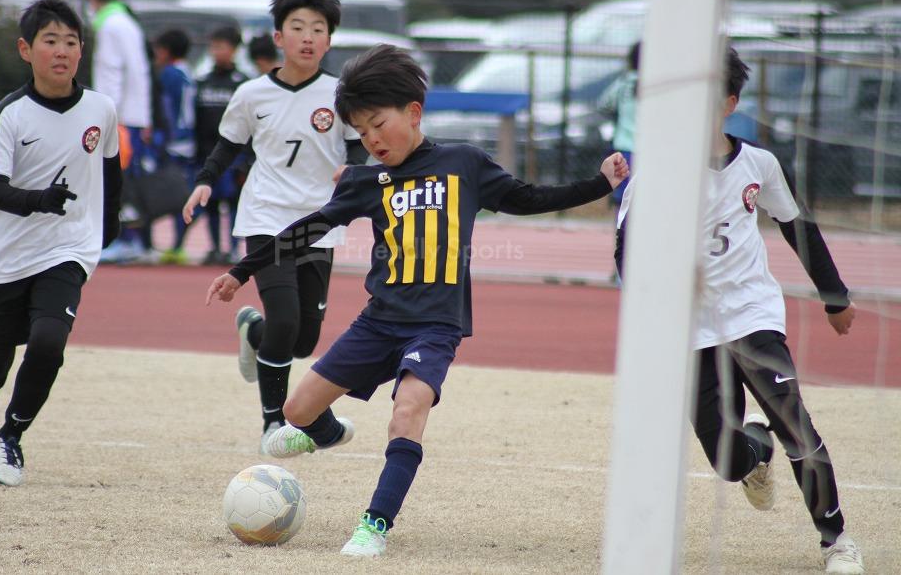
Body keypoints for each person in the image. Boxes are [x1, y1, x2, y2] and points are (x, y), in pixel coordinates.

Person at [203, 44, 629, 557]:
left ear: (413, 112)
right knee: (295, 411)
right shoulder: (366, 181)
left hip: (434, 326)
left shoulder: (463, 164)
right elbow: (308, 230)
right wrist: (241, 272)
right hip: (377, 321)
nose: (372, 139)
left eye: (379, 124)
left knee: (408, 410)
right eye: (360, 132)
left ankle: (374, 526)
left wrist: (599, 184)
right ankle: (329, 432)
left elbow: (529, 198)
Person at [614, 48, 864, 575]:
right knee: (727, 461)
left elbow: (797, 226)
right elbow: (626, 253)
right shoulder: (656, 172)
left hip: (752, 314)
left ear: (728, 104)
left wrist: (834, 295)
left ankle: (836, 541)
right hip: (690, 330)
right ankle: (756, 452)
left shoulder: (759, 164)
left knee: (795, 421)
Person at [0, 0, 121, 487]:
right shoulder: (10, 114)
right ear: (26, 49)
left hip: (68, 249)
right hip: (5, 255)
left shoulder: (101, 110)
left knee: (48, 342)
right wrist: (41, 200)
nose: (61, 51)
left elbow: (110, 171)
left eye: (71, 42)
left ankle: (12, 436)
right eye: (50, 41)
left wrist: (108, 230)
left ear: (81, 50)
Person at [182, 0, 369, 447]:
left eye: (318, 29)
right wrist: (206, 180)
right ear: (279, 37)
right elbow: (229, 144)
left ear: (329, 40)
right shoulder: (251, 94)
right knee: (285, 321)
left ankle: (253, 331)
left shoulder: (341, 93)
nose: (308, 37)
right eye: (298, 27)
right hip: (265, 217)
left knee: (302, 340)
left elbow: (358, 144)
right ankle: (273, 423)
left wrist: (355, 169)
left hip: (321, 223)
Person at [82, 0, 155, 264]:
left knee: (117, 180)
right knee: (128, 177)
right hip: (133, 115)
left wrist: (107, 115)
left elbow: (112, 75)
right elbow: (139, 72)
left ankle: (127, 239)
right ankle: (134, 239)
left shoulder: (110, 25)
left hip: (120, 117)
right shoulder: (126, 21)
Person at [194, 25, 250, 265]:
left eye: (222, 47)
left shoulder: (243, 83)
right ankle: (215, 247)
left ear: (235, 50)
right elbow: (195, 119)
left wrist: (247, 159)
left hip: (236, 156)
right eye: (213, 47)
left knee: (235, 201)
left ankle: (233, 248)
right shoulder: (202, 82)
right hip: (208, 152)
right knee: (211, 202)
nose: (217, 52)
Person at [151, 28, 198, 265]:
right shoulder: (188, 71)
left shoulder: (169, 74)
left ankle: (166, 245)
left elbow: (168, 109)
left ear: (166, 51)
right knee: (183, 192)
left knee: (165, 192)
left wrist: (162, 138)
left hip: (174, 142)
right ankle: (177, 245)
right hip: (188, 140)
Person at [596, 40, 639, 209]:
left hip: (625, 147)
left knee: (623, 199)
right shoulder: (659, 85)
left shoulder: (623, 84)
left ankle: (621, 233)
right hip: (651, 152)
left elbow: (604, 104)